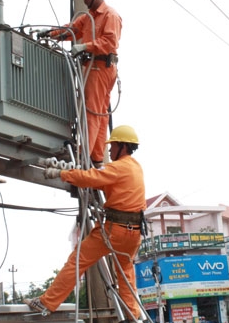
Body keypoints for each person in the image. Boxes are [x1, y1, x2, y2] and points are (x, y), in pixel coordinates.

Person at [24, 125, 145, 320]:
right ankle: (132, 313)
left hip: (114, 231)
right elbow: (111, 185)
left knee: (77, 261)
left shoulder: (118, 167)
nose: (110, 150)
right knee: (125, 272)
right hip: (134, 233)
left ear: (122, 146)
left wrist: (62, 174)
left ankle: (47, 302)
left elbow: (91, 178)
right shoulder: (136, 167)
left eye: (112, 146)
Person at [40, 0, 122, 168]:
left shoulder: (110, 15)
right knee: (101, 114)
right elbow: (72, 29)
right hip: (93, 67)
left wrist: (85, 47)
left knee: (92, 111)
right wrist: (50, 33)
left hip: (101, 66)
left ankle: (83, 154)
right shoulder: (88, 17)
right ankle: (95, 157)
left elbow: (110, 42)